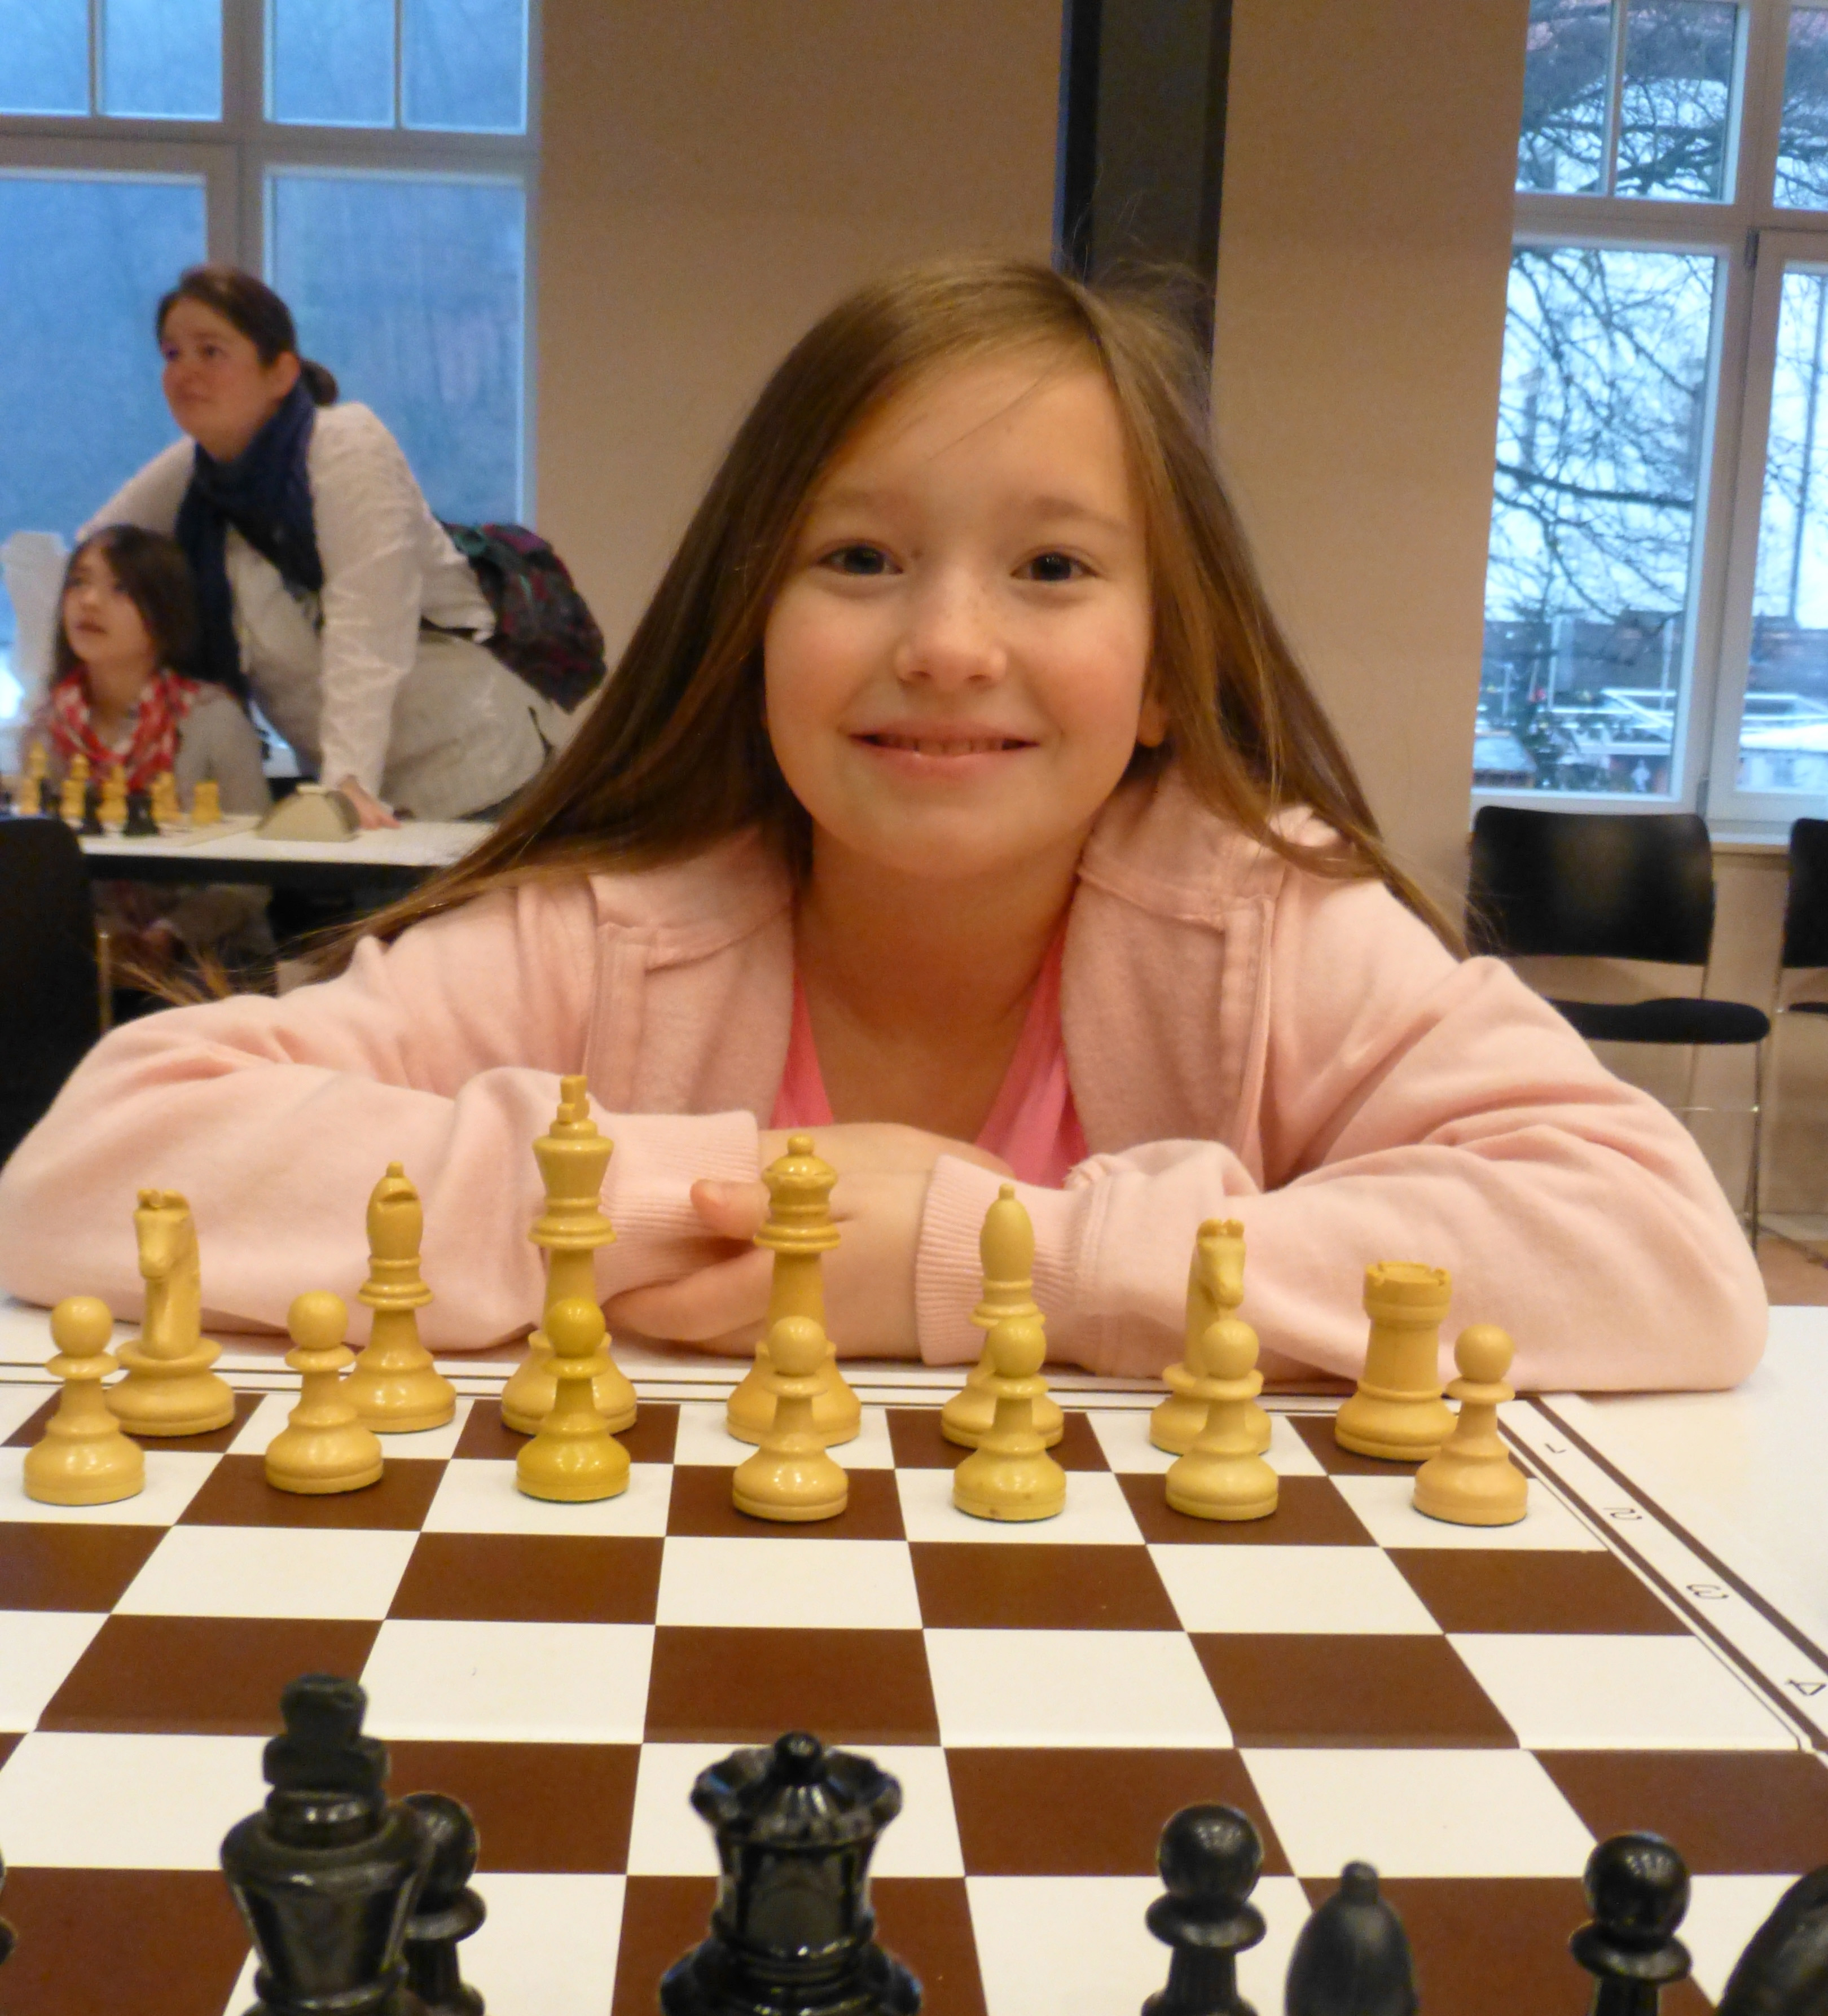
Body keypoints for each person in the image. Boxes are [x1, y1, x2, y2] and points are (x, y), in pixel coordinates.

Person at [0, 260, 1768, 1389]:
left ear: (1168, 669)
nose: (947, 645)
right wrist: (713, 1212)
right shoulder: (616, 928)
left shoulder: (1262, 927)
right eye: (858, 558)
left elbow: (1664, 1255)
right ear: (752, 623)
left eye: (1054, 567)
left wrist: (987, 1255)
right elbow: (87, 1174)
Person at [84, 265, 556, 828]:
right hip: (352, 786)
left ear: (281, 372)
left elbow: (368, 629)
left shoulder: (347, 446)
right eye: (171, 353)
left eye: (211, 351)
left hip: (476, 764)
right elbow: (96, 556)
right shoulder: (194, 479)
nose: (185, 371)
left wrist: (345, 787)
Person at [29, 524, 275, 977]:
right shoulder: (48, 730)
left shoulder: (212, 719)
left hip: (215, 964)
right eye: (79, 582)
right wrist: (108, 941)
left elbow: (251, 878)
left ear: (165, 613)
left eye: (121, 588)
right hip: (92, 964)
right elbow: (42, 877)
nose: (89, 601)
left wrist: (169, 936)